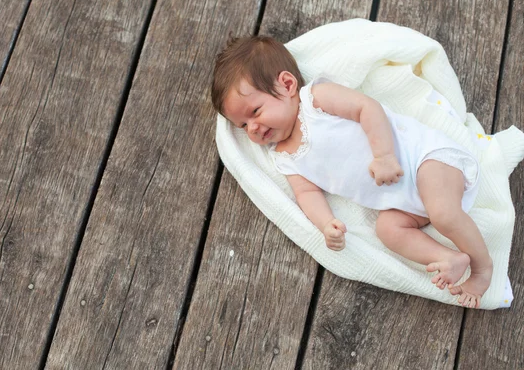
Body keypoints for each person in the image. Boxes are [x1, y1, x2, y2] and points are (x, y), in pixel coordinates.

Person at [211, 35, 493, 308]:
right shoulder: (284, 157)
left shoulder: (315, 100)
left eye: (256, 112)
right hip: (406, 205)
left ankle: (482, 270)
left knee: (444, 214)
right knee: (388, 230)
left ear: (286, 84)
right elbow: (306, 193)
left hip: (424, 160)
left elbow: (365, 108)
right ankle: (448, 258)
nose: (254, 129)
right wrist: (325, 224)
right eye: (243, 126)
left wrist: (384, 155)